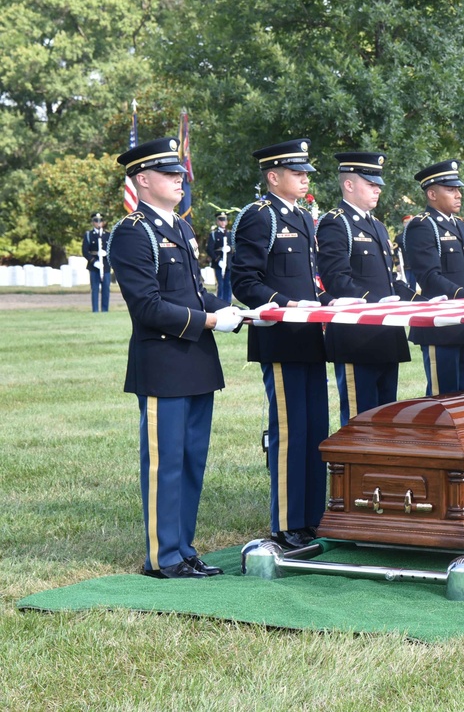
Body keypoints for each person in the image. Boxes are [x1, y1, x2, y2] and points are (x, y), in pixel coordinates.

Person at [107, 137, 243, 579]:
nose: (180, 179)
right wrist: (207, 321)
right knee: (165, 464)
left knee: (191, 461)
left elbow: (190, 292)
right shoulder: (133, 233)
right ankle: (162, 557)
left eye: (179, 173)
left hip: (196, 361)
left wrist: (233, 308)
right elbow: (147, 307)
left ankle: (184, 548)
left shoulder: (181, 227)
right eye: (170, 174)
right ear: (143, 180)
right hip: (164, 362)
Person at [231, 138, 332, 550]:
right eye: (298, 172)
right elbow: (244, 281)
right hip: (280, 337)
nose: (306, 178)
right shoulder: (260, 217)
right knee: (290, 431)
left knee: (315, 429)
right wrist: (286, 304)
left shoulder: (305, 217)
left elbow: (308, 279)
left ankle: (312, 516)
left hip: (309, 338)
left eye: (306, 172)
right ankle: (288, 521)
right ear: (274, 177)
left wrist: (328, 303)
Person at [315, 151, 420, 426]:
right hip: (356, 336)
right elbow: (336, 278)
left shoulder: (378, 227)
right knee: (359, 419)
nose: (377, 189)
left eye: (378, 185)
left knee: (387, 416)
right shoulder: (336, 222)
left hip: (386, 334)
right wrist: (378, 302)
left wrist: (422, 300)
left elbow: (388, 281)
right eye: (370, 184)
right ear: (349, 185)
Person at [402, 159, 464, 396]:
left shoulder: (461, 227)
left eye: (458, 189)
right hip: (440, 324)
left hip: (463, 324)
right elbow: (428, 276)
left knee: (462, 396)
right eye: (451, 189)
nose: (458, 195)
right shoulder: (422, 226)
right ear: (432, 193)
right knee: (441, 398)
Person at [83, 212, 111, 312]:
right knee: (95, 288)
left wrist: (106, 253)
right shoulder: (89, 235)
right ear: (93, 222)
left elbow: (113, 249)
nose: (98, 223)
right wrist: (94, 261)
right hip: (94, 265)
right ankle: (95, 310)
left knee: (106, 289)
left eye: (100, 221)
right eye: (96, 221)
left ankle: (105, 310)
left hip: (105, 265)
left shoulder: (108, 235)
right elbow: (85, 251)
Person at [207, 211, 234, 302]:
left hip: (229, 263)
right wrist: (218, 260)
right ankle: (220, 302)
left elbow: (235, 247)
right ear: (217, 222)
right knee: (220, 284)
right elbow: (209, 249)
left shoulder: (230, 234)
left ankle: (228, 302)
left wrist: (230, 249)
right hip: (219, 263)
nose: (223, 222)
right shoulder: (214, 234)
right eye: (221, 220)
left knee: (228, 283)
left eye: (224, 220)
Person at [395, 214, 417, 289]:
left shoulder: (419, 235)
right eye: (407, 222)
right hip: (406, 266)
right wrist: (397, 263)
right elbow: (394, 252)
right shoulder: (399, 237)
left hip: (418, 265)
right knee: (407, 286)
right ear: (404, 224)